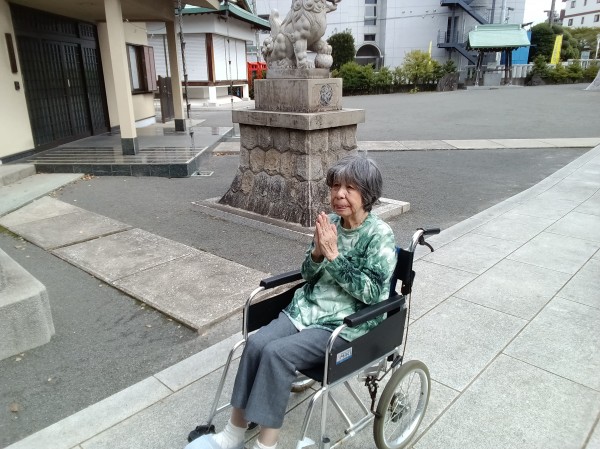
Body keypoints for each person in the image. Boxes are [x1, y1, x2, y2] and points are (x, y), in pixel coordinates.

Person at [186, 155, 397, 449]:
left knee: (277, 354)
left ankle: (266, 445)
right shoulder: (330, 223)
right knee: (257, 344)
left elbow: (373, 294)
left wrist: (334, 256)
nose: (339, 194)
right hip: (306, 309)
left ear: (368, 193)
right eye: (335, 186)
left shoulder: (379, 235)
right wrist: (318, 254)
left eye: (349, 188)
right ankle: (233, 433)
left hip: (343, 324)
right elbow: (308, 274)